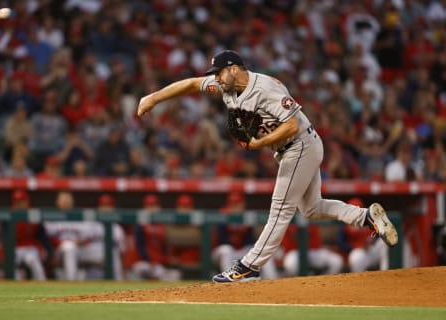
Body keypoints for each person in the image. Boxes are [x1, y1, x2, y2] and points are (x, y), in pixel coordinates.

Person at [137, 50, 398, 283]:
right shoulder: (226, 88)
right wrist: (153, 98)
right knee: (311, 208)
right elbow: (193, 83)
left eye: (219, 73)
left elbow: (292, 125)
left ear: (235, 69)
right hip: (293, 148)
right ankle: (365, 217)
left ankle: (249, 266)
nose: (215, 78)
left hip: (300, 144)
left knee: (281, 209)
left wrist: (259, 142)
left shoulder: (265, 89)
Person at [212, 191, 278, 280]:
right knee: (226, 250)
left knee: (261, 253)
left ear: (243, 205)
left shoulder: (247, 217)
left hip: (242, 251)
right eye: (233, 204)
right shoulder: (223, 215)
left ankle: (273, 281)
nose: (236, 207)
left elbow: (251, 241)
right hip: (221, 252)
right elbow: (221, 240)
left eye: (238, 204)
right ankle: (228, 279)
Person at [337, 198, 389, 273]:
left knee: (385, 242)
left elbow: (378, 234)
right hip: (360, 252)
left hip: (372, 249)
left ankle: (386, 272)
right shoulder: (345, 224)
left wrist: (371, 241)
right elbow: (340, 243)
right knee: (355, 258)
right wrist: (356, 246)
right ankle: (360, 280)